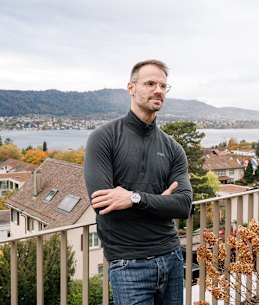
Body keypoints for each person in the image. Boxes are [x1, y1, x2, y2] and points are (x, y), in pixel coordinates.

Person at [84, 59, 193, 305]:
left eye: (163, 86)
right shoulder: (103, 138)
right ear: (131, 88)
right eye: (150, 83)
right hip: (128, 264)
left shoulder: (173, 148)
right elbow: (103, 204)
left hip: (172, 257)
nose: (158, 90)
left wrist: (133, 198)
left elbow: (183, 206)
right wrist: (160, 203)